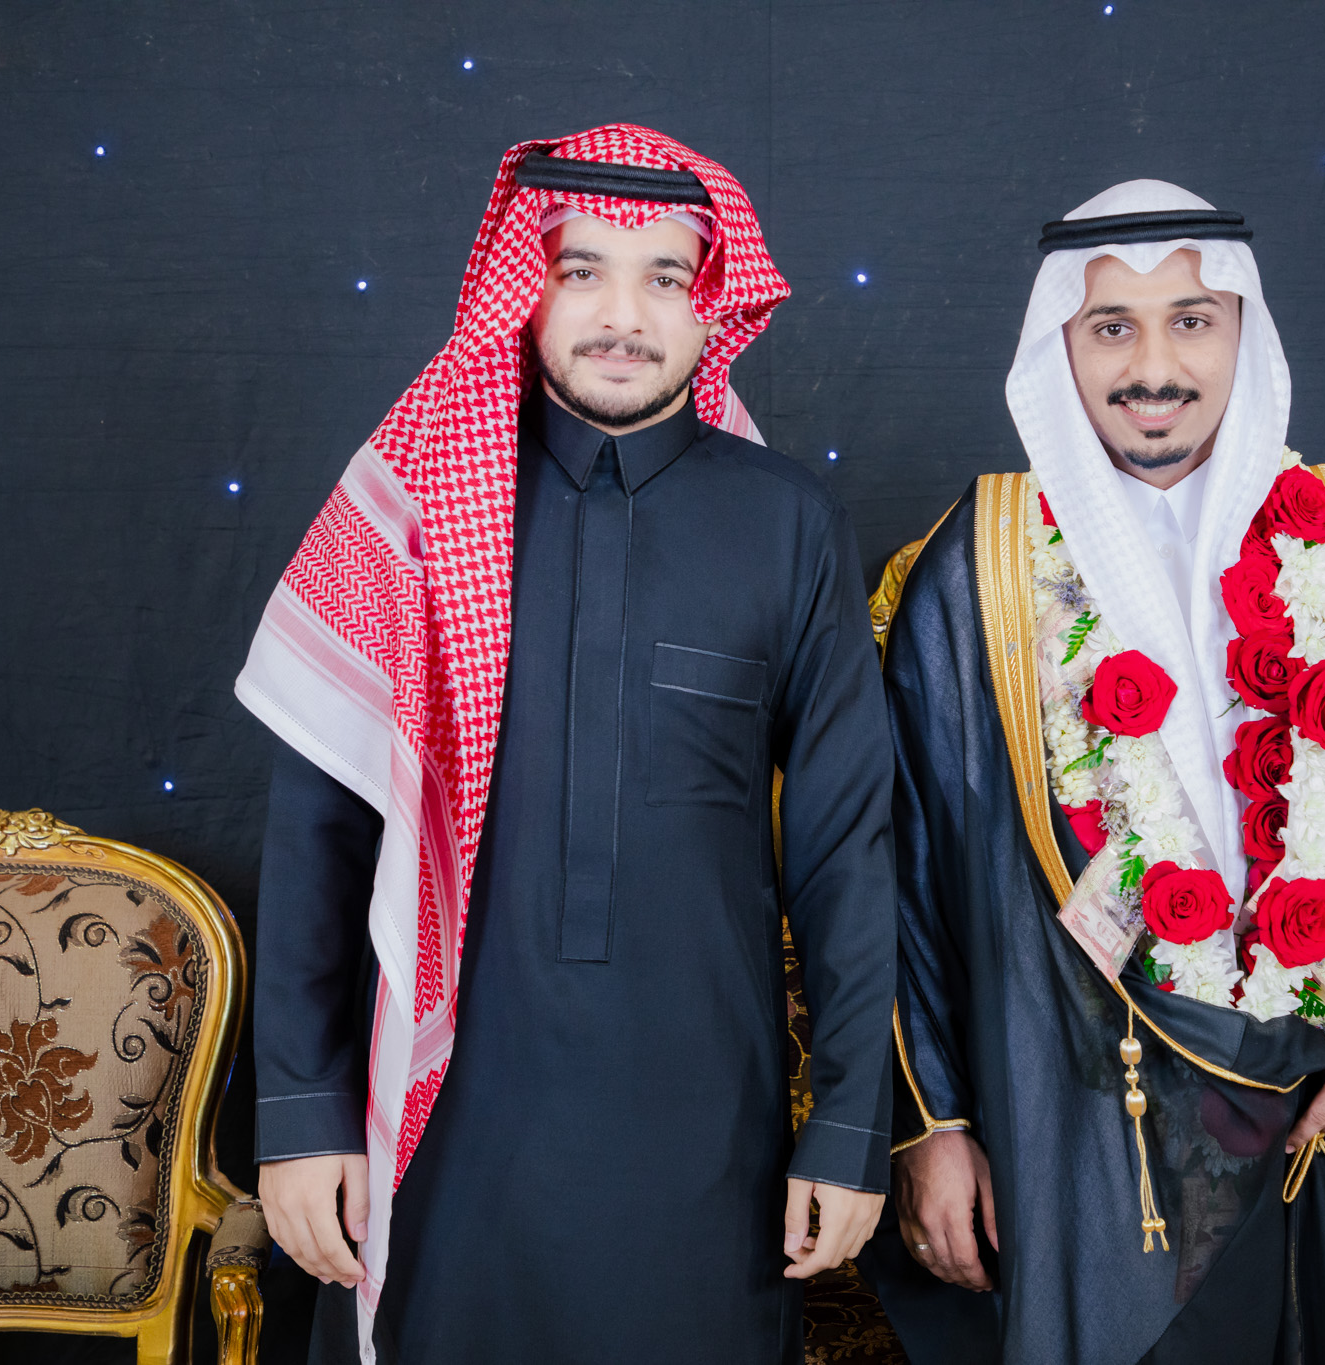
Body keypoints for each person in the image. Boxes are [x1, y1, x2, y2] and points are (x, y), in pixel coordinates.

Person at [860, 180, 1325, 1364]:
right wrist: (935, 1125)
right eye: (1110, 327)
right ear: (1059, 344)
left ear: (1240, 333)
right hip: (1088, 1114)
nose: (1152, 367)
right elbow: (904, 877)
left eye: (1190, 321)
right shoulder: (978, 572)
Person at [235, 125, 896, 1365]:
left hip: (701, 1126)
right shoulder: (412, 508)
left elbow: (846, 853)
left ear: (713, 306)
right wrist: (303, 1111)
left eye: (664, 277)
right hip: (448, 1119)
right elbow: (319, 831)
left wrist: (851, 1127)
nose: (621, 316)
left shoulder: (787, 523)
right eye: (580, 269)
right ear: (522, 287)